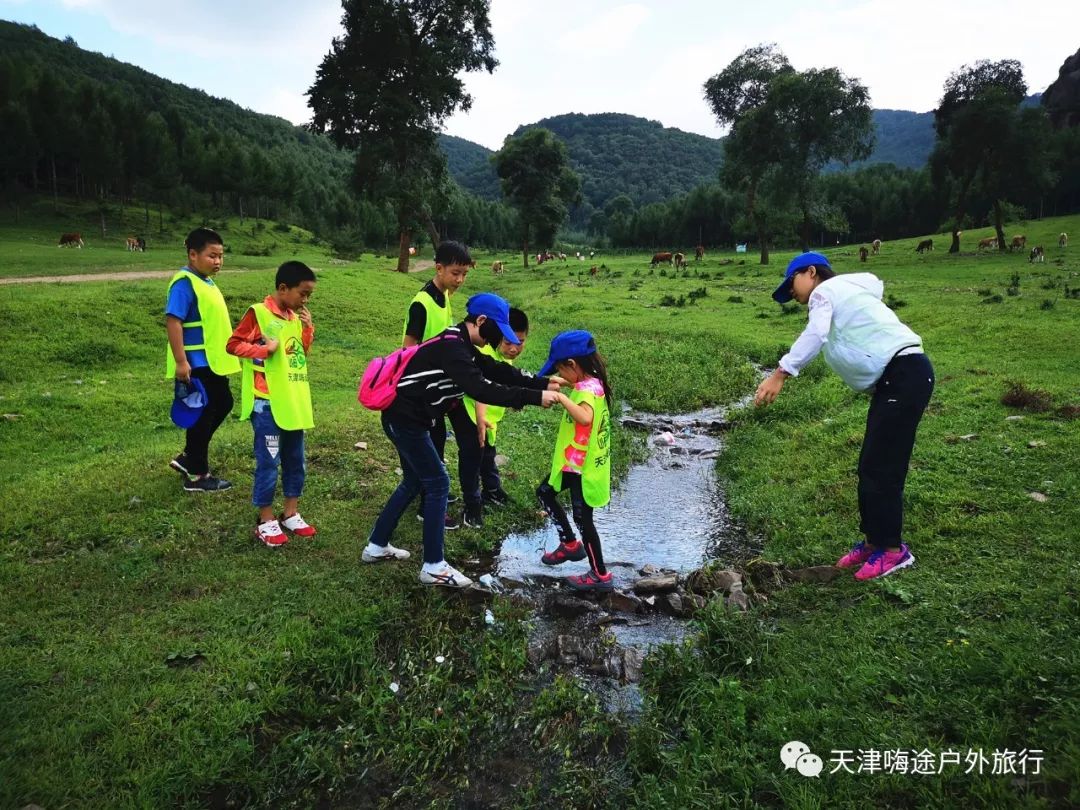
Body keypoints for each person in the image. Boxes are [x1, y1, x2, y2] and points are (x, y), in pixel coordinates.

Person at [754, 252, 935, 581]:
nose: (791, 294)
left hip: (904, 374)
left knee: (883, 466)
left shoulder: (826, 292)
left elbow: (816, 334)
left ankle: (893, 551)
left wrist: (780, 373)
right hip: (898, 379)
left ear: (811, 272)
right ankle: (872, 542)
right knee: (870, 463)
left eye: (791, 283)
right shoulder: (847, 293)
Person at [362, 293, 561, 588]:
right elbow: (482, 389)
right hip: (404, 419)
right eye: (498, 332)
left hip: (409, 418)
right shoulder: (454, 348)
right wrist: (535, 397)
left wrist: (542, 381)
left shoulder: (461, 342)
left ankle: (377, 546)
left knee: (415, 481)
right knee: (438, 482)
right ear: (481, 321)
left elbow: (495, 370)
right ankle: (433, 566)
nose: (499, 340)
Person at [226, 262, 317, 547]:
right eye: (303, 293)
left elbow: (298, 354)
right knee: (269, 461)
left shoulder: (294, 316)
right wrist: (264, 349)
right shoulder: (259, 313)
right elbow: (233, 344)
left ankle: (290, 512)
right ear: (283, 288)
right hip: (266, 404)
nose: (305, 300)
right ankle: (266, 519)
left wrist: (307, 329)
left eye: (309, 295)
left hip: (293, 402)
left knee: (296, 460)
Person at [534, 330, 615, 593]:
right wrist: (567, 384)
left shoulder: (588, 391)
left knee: (584, 520)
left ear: (572, 364)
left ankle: (599, 574)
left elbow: (584, 418)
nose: (560, 373)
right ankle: (569, 544)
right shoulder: (589, 382)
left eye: (561, 368)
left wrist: (561, 397)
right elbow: (582, 387)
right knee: (544, 493)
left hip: (583, 469)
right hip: (572, 463)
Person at [165, 227, 241, 492]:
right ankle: (197, 475)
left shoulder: (205, 281)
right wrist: (180, 361)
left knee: (222, 403)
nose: (218, 261)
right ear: (193, 254)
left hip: (213, 360)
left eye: (221, 256)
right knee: (205, 412)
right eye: (212, 256)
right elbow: (173, 321)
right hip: (197, 362)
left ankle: (189, 456)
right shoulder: (184, 282)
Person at [403, 240, 471, 527]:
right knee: (433, 443)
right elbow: (407, 349)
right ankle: (428, 506)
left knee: (443, 440)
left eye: (465, 274)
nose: (460, 279)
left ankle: (431, 492)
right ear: (439, 268)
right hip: (421, 391)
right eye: (455, 273)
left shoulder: (444, 297)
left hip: (440, 388)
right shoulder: (422, 302)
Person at [456, 307, 530, 528]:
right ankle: (472, 506)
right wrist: (480, 419)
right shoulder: (486, 353)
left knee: (488, 455)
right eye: (508, 343)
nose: (514, 348)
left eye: (520, 342)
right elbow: (481, 389)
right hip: (472, 414)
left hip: (490, 419)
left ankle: (493, 491)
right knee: (472, 457)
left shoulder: (503, 358)